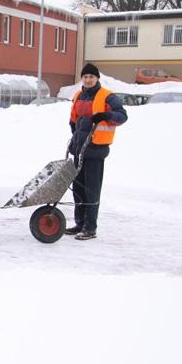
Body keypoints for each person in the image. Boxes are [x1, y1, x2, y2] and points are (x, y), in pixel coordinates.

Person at [66, 63, 128, 240]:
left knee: (91, 190)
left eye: (91, 77)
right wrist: (75, 136)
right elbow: (73, 120)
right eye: (85, 77)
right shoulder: (79, 95)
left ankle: (90, 227)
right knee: (78, 189)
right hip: (79, 149)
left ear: (97, 78)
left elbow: (122, 116)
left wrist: (107, 116)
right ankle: (79, 223)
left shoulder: (107, 96)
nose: (88, 80)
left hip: (95, 150)